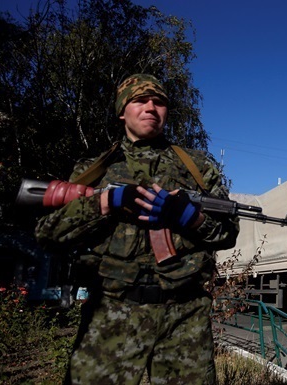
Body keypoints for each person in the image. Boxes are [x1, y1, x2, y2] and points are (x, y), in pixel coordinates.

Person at [35, 73, 239, 385]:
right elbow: (48, 234)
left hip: (185, 316)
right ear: (122, 110)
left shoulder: (196, 167)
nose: (150, 107)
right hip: (112, 312)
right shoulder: (96, 168)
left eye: (159, 102)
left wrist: (188, 217)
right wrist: (106, 201)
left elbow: (228, 233)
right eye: (140, 100)